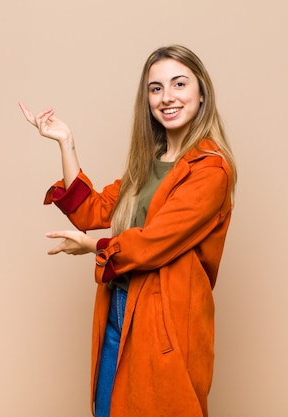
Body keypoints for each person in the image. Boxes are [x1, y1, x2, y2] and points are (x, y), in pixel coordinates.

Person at [19, 44, 237, 417]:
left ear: (202, 94)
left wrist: (92, 247)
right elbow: (92, 210)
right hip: (119, 308)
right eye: (156, 88)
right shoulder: (148, 163)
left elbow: (154, 243)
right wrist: (66, 142)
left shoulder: (210, 170)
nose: (167, 97)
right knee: (108, 410)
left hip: (167, 317)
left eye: (179, 84)